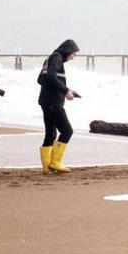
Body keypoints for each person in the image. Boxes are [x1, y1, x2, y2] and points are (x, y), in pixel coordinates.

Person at [37, 39, 79, 175]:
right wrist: (65, 91)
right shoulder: (57, 58)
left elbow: (41, 79)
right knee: (67, 131)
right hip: (53, 102)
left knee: (50, 134)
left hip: (46, 101)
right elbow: (50, 77)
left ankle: (46, 167)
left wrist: (69, 89)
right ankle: (55, 163)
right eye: (74, 54)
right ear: (67, 50)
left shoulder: (51, 58)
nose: (74, 57)